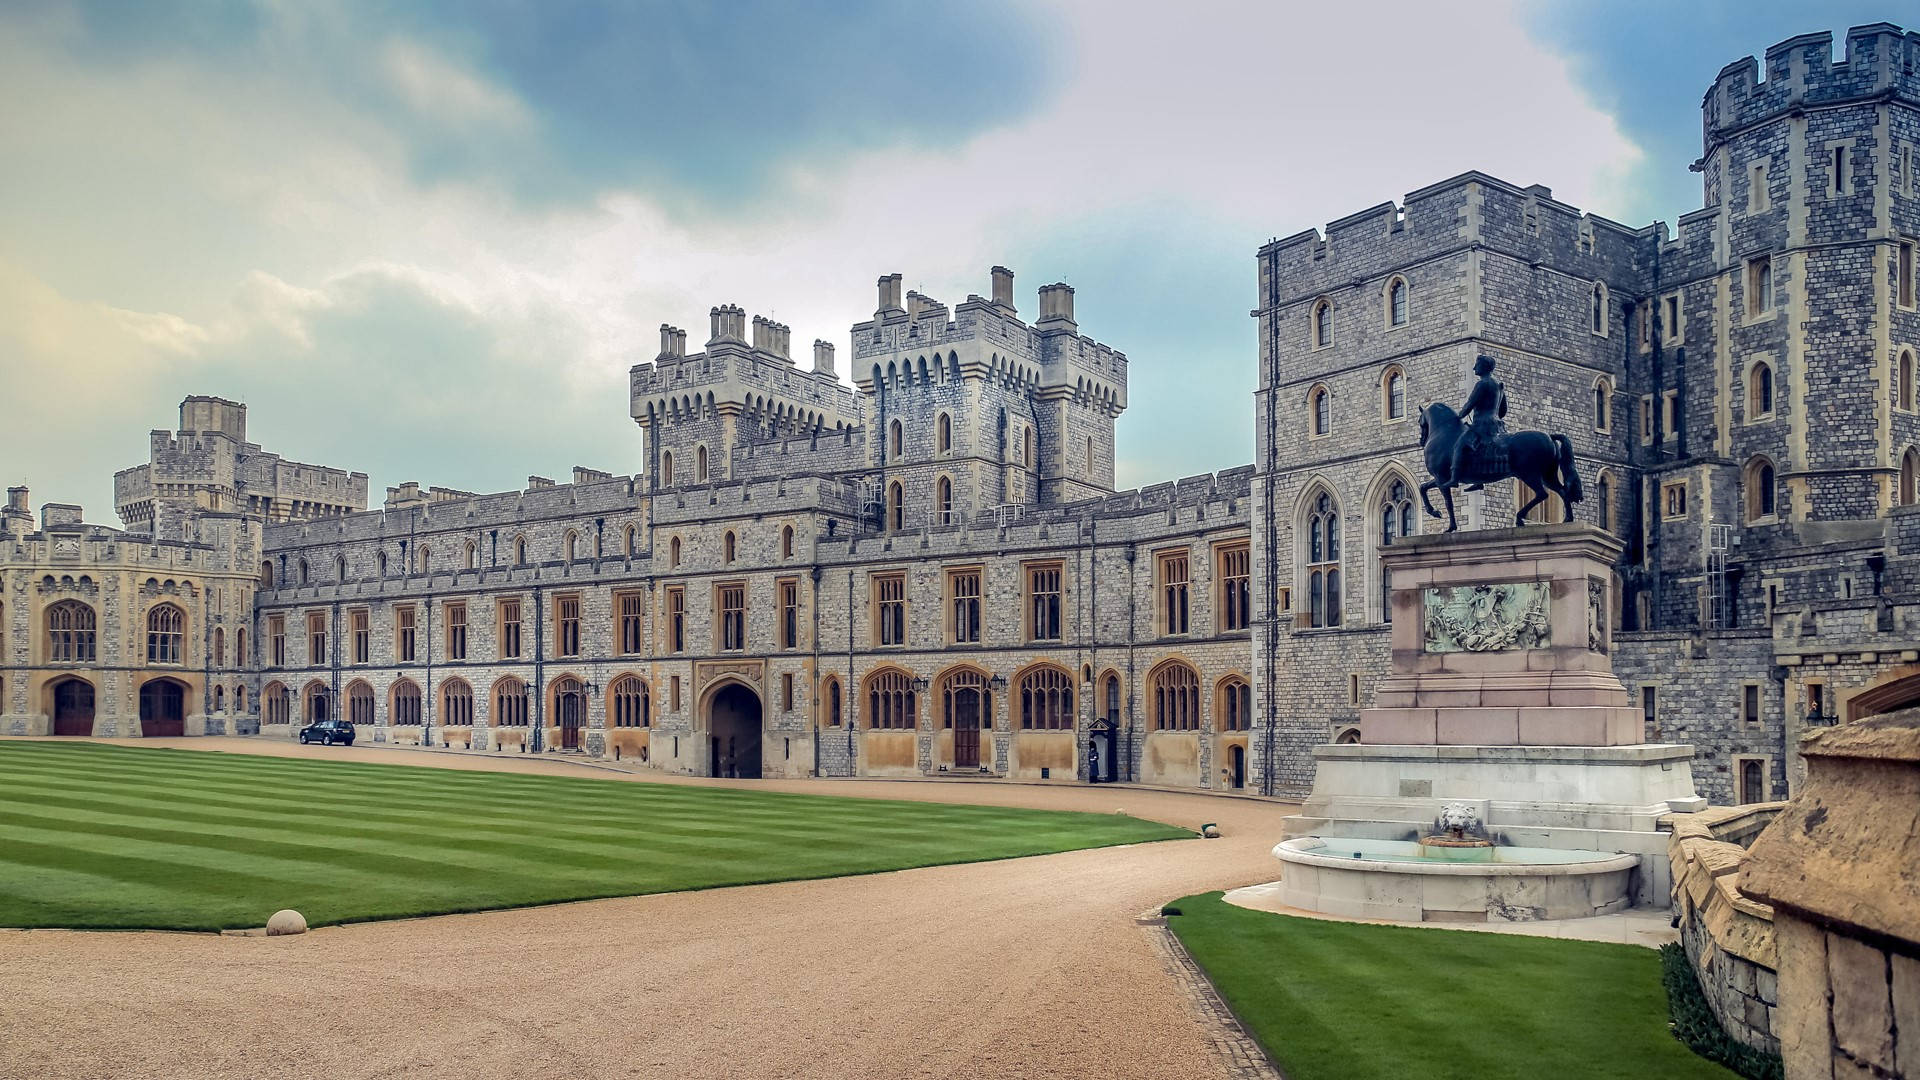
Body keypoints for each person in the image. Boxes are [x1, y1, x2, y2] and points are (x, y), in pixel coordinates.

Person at [1450, 355, 1508, 490]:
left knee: (1459, 446)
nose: (1474, 367)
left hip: (1482, 425)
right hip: (1496, 425)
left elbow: (1470, 404)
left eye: (1477, 365)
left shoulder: (1482, 384)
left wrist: (1458, 417)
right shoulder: (1498, 385)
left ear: (1484, 367)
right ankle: (1478, 480)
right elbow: (1503, 411)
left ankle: (1454, 479)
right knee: (1478, 450)